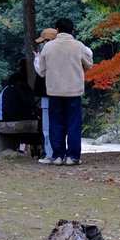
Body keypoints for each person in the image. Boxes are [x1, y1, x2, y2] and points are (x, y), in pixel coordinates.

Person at [34, 18, 93, 166]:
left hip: (54, 91)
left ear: (57, 30)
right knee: (73, 125)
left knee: (56, 125)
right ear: (72, 31)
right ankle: (72, 157)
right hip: (74, 91)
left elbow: (41, 71)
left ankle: (58, 155)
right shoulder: (78, 46)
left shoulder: (48, 48)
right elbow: (89, 64)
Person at [32, 28, 56, 164]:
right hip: (60, 92)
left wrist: (37, 59)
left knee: (47, 126)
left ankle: (50, 153)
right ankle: (58, 152)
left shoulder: (46, 54)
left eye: (44, 41)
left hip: (47, 93)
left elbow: (42, 71)